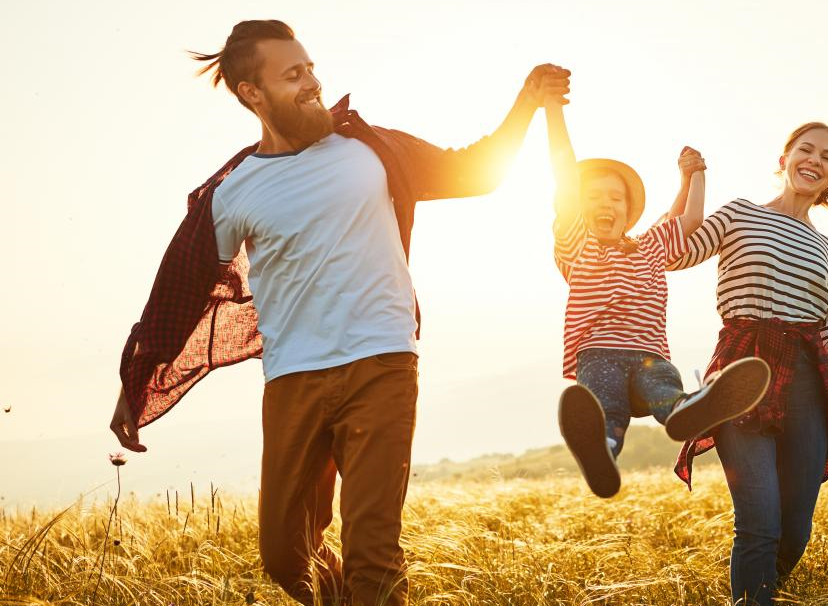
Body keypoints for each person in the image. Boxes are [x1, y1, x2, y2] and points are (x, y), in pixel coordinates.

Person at [107, 19, 569, 605]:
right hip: (293, 379)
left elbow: (473, 170)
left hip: (382, 364)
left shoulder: (370, 148)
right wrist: (137, 381)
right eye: (293, 74)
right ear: (253, 93)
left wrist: (526, 101)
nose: (312, 83)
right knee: (284, 554)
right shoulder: (234, 191)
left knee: (373, 553)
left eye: (311, 68)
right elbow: (181, 290)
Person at [667, 122, 828, 605]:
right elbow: (678, 251)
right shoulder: (740, 214)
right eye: (806, 150)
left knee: (794, 531)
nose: (815, 160)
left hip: (806, 385)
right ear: (784, 158)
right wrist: (692, 181)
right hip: (741, 378)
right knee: (759, 524)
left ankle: (757, 594)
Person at [544, 101, 769, 499]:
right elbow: (563, 172)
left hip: (650, 356)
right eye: (593, 198)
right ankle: (603, 453)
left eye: (615, 199)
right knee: (605, 410)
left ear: (629, 212)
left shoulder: (650, 245)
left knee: (664, 390)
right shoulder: (578, 245)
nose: (605, 204)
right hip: (599, 355)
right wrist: (553, 113)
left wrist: (695, 175)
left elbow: (690, 219)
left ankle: (690, 411)